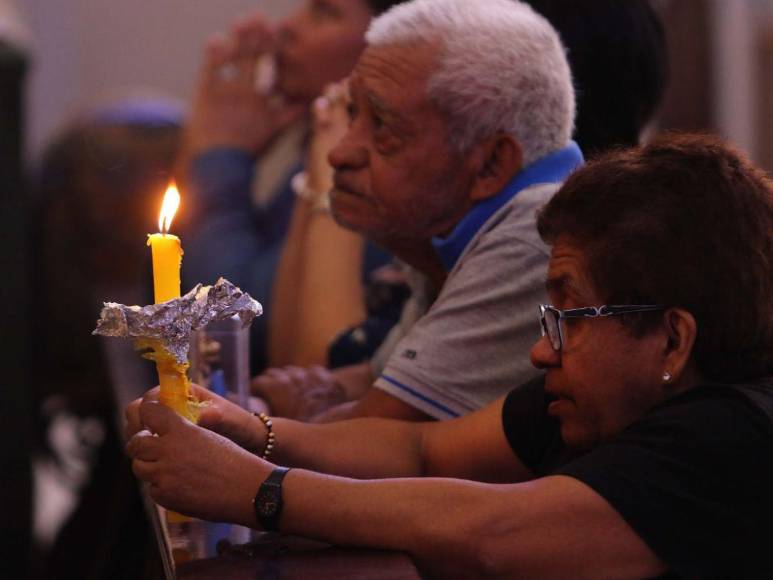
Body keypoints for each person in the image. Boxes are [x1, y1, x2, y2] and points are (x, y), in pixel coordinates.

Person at [127, 132, 773, 578]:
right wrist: (254, 432)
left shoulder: (733, 435)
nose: (540, 351)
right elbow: (421, 451)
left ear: (671, 340)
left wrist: (253, 489)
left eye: (568, 316)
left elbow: (492, 535)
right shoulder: (599, 397)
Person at [254, 0, 670, 421]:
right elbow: (382, 381)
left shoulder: (538, 233)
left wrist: (251, 421)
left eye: (382, 126)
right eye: (351, 113)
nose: (340, 153)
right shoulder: (445, 230)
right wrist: (319, 392)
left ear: (491, 164)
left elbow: (382, 438)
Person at [179, 0, 405, 374]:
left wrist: (221, 154)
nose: (288, 27)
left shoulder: (385, 178)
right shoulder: (315, 145)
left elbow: (234, 330)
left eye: (324, 12)